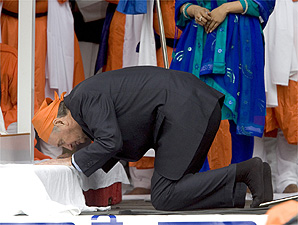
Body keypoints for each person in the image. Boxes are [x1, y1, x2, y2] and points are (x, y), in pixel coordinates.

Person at [32, 66, 273, 210]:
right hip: (191, 108)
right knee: (173, 191)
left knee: (164, 195)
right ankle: (244, 185)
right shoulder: (85, 103)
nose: (69, 147)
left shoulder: (84, 98)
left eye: (62, 142)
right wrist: (76, 159)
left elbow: (110, 142)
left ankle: (245, 171)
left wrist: (72, 162)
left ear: (60, 122)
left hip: (185, 109)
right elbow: (113, 145)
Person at [170, 0, 275, 165]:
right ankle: (197, 182)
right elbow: (182, 5)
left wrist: (225, 9)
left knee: (241, 111)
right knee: (192, 109)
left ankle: (239, 181)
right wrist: (195, 10)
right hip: (199, 39)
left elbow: (264, 3)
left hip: (242, 39)